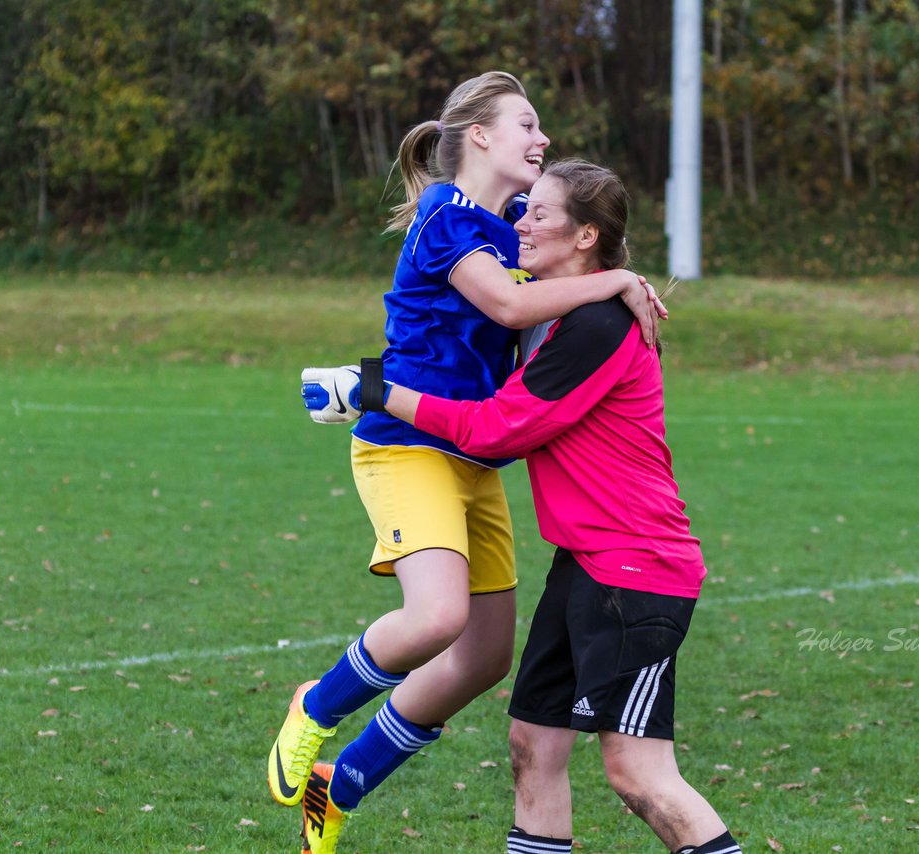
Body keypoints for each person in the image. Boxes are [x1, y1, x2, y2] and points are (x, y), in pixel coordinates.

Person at [268, 72, 665, 854]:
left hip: (472, 456)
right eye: (527, 123)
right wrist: (617, 279)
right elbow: (513, 306)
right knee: (438, 616)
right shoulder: (446, 216)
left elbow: (566, 244)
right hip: (406, 445)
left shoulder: (514, 217)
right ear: (477, 135)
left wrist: (603, 266)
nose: (541, 138)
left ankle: (339, 785)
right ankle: (316, 705)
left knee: (483, 655)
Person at [308, 159, 742, 854]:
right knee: (533, 746)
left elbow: (495, 429)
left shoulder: (597, 326)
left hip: (638, 570)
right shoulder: (564, 305)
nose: (521, 223)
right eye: (522, 208)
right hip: (586, 567)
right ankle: (345, 779)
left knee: (637, 773)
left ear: (585, 236)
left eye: (539, 214)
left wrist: (375, 391)